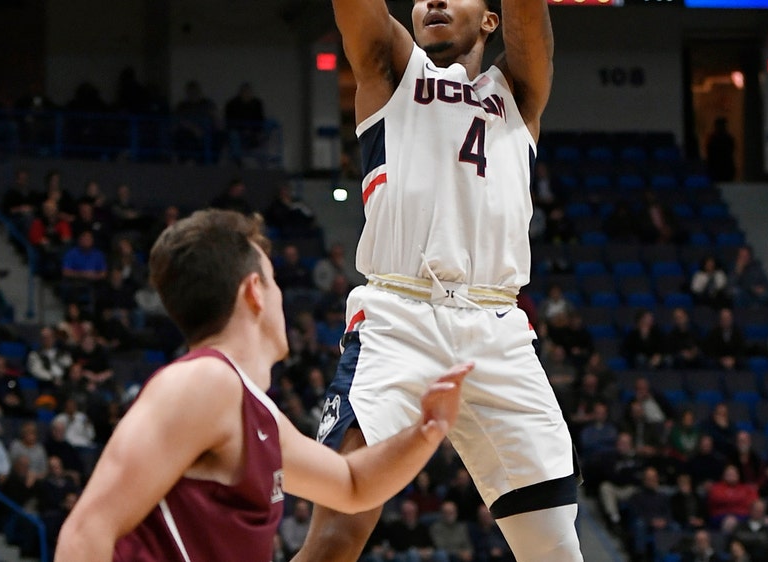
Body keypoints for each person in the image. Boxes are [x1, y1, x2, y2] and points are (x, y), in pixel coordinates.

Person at [295, 0, 581, 560]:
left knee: (554, 547)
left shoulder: (518, 92)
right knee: (337, 533)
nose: (436, 2)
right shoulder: (392, 69)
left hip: (498, 324)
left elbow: (531, 17)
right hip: (400, 315)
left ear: (490, 20)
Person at [54, 210, 473, 560]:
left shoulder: (249, 409)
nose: (281, 298)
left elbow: (351, 484)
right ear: (255, 290)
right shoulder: (204, 382)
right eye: (273, 281)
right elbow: (84, 533)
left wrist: (426, 430)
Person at [706, 116, 736, 182]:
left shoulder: (728, 138)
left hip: (726, 168)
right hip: (716, 169)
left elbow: (730, 151)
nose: (721, 127)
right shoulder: (713, 139)